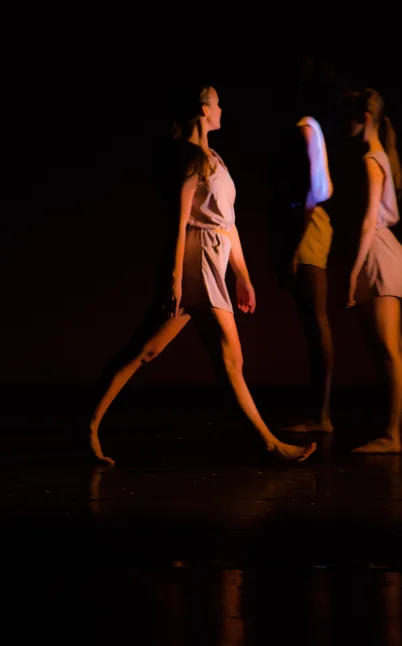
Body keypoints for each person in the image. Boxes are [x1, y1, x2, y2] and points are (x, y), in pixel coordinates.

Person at [89, 84, 316, 464]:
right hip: (197, 261)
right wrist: (174, 278)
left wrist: (242, 275)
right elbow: (178, 223)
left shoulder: (216, 159)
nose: (222, 108)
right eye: (217, 102)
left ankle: (87, 426)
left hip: (214, 259)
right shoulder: (191, 159)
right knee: (229, 359)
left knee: (145, 350)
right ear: (203, 109)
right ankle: (270, 444)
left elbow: (228, 224)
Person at [334, 88, 402, 453]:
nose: (344, 126)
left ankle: (392, 434)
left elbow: (369, 221)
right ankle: (398, 432)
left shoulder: (371, 159)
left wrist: (353, 273)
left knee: (388, 350)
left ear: (364, 119)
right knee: (394, 349)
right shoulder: (381, 156)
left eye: (348, 118)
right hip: (384, 250)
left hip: (379, 252)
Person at [274, 59, 336, 434]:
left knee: (316, 321)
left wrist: (293, 250)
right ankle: (319, 412)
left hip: (309, 228)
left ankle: (321, 415)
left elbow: (311, 192)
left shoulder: (305, 129)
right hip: (307, 225)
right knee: (313, 323)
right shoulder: (307, 127)